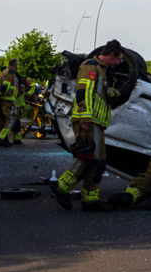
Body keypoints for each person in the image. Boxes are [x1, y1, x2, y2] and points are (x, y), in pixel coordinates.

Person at [52, 40, 123, 212]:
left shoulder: (103, 71)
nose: (119, 63)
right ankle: (61, 188)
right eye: (119, 59)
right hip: (88, 121)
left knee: (99, 162)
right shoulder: (91, 67)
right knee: (89, 159)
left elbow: (97, 94)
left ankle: (90, 200)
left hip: (96, 122)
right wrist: (85, 117)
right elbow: (84, 92)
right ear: (112, 55)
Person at [0, 59, 21, 147]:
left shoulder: (4, 72)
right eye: (17, 66)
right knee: (11, 119)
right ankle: (2, 138)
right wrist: (0, 95)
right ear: (15, 65)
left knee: (3, 120)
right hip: (8, 100)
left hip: (4, 100)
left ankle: (3, 138)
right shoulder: (9, 73)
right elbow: (5, 87)